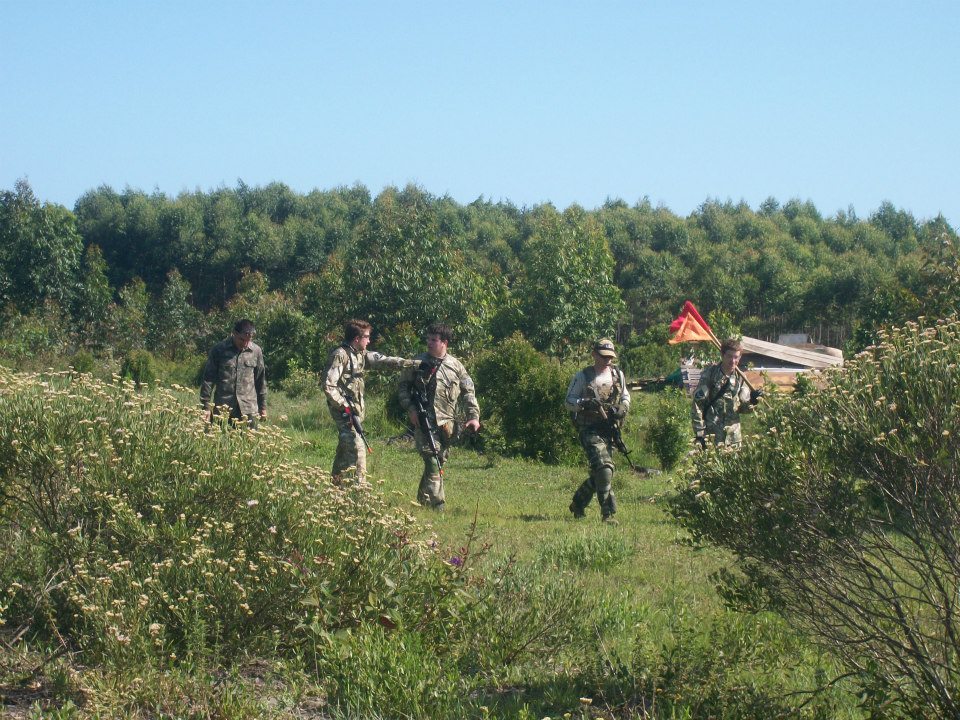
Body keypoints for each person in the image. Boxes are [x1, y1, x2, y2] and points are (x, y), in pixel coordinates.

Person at [323, 319, 419, 483]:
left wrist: (413, 364)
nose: (369, 341)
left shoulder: (360, 354)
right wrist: (344, 406)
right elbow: (328, 385)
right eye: (366, 337)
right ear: (356, 339)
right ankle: (359, 491)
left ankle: (336, 484)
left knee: (346, 447)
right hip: (344, 413)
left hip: (355, 412)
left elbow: (384, 361)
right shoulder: (340, 355)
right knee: (357, 447)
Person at [397, 323, 480, 510]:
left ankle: (422, 500)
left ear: (445, 343)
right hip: (423, 420)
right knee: (431, 458)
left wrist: (473, 416)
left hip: (446, 424)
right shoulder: (416, 363)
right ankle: (437, 504)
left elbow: (469, 392)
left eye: (434, 340)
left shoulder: (456, 366)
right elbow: (402, 387)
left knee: (438, 460)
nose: (429, 343)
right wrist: (411, 409)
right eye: (428, 339)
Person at [566, 338, 631, 524]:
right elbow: (568, 402)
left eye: (610, 357)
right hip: (589, 430)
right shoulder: (583, 376)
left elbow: (626, 395)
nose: (607, 361)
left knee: (600, 475)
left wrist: (622, 408)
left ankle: (578, 503)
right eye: (603, 357)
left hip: (609, 430)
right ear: (594, 355)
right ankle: (608, 514)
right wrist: (583, 403)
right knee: (605, 468)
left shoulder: (618, 374)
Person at [691, 338, 762, 448]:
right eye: (729, 356)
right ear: (722, 355)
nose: (733, 361)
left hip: (734, 438)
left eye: (736, 357)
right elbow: (697, 405)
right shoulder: (710, 375)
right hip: (713, 436)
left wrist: (753, 401)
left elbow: (743, 409)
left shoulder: (741, 378)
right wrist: (700, 435)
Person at [200, 319, 267, 428]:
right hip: (223, 408)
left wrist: (262, 407)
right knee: (219, 443)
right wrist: (205, 407)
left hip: (248, 409)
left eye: (248, 340)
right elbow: (208, 379)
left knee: (248, 443)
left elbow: (260, 380)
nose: (245, 343)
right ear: (234, 333)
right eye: (242, 339)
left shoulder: (256, 351)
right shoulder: (219, 350)